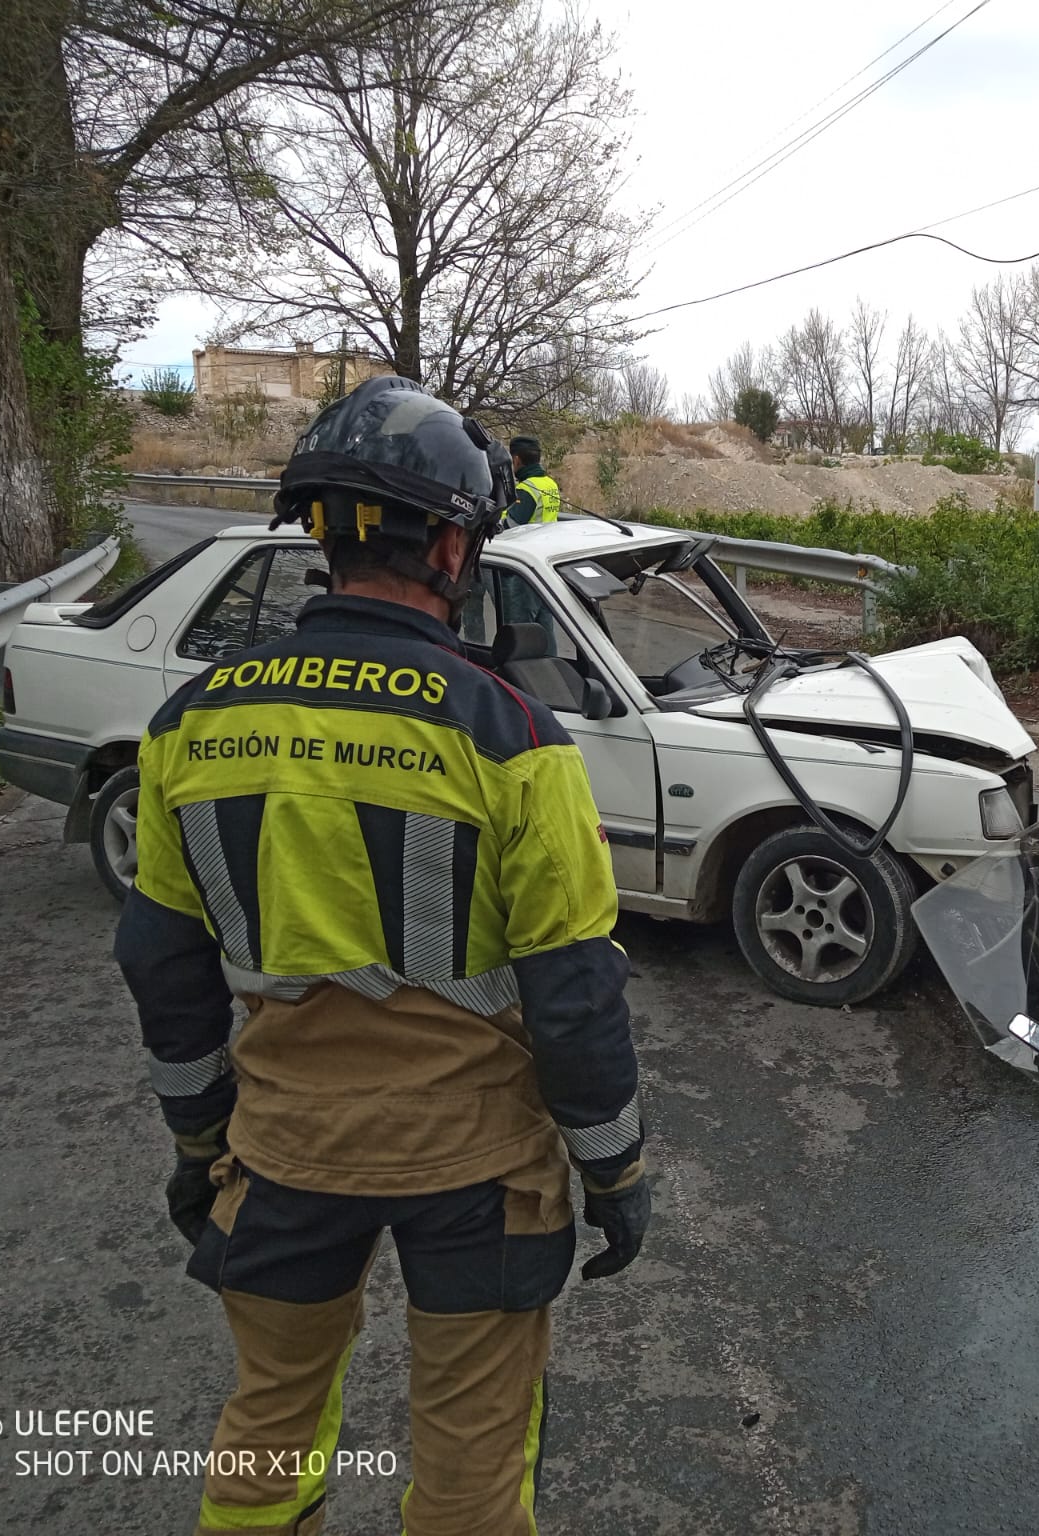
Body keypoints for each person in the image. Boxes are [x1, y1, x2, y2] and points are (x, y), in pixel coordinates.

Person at [114, 374, 648, 1536]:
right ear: (454, 546)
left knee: (265, 1430)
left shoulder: (190, 723)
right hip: (477, 1172)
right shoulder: (511, 734)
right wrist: (616, 1172)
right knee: (469, 1472)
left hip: (284, 1152)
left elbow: (164, 965)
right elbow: (572, 995)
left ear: (320, 533)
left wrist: (200, 1142)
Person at [506, 435, 562, 526]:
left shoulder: (526, 489)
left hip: (527, 538)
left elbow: (511, 525)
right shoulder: (551, 483)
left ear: (516, 460)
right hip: (547, 537)